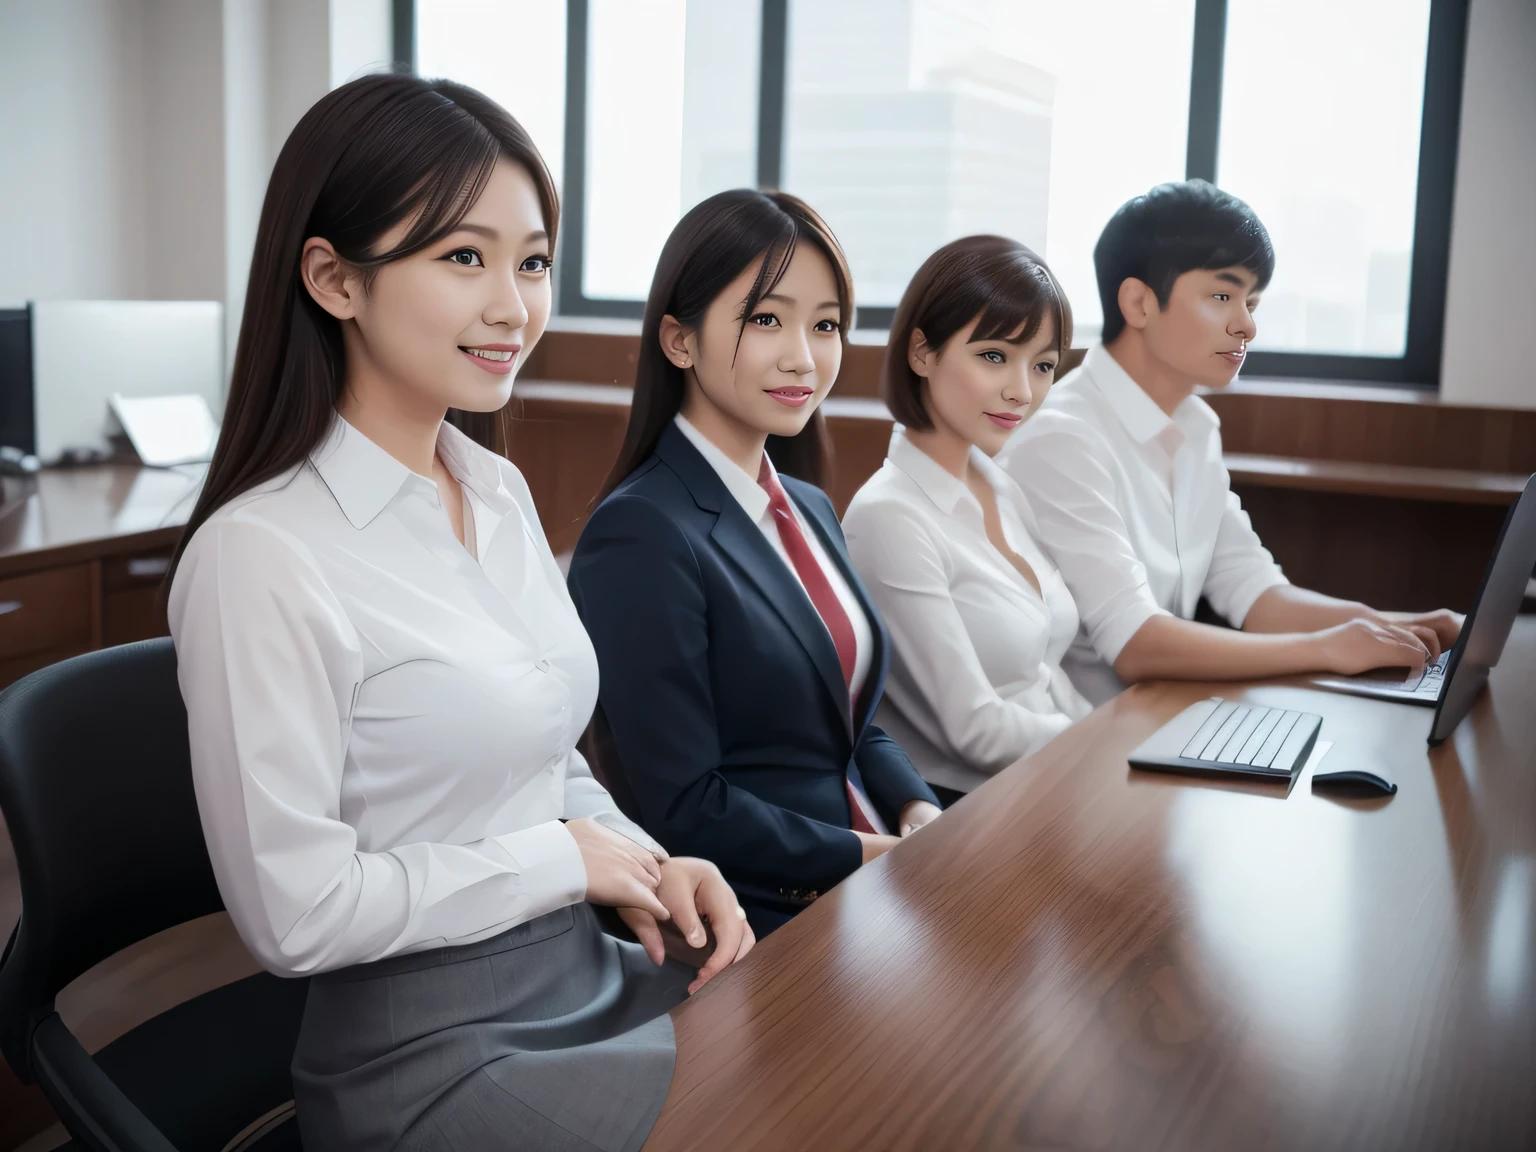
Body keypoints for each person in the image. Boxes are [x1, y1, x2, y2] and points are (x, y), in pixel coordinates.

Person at [166, 74, 751, 1152]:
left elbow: (539, 753)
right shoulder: (260, 557)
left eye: (531, 262)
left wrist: (643, 858)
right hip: (423, 1054)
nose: (513, 307)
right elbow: (295, 915)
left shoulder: (496, 489)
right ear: (334, 279)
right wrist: (564, 864)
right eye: (462, 257)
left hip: (582, 970)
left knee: (830, 1061)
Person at [567, 189, 942, 938]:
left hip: (874, 875)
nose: (804, 355)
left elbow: (850, 718)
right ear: (679, 340)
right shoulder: (641, 533)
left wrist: (920, 812)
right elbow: (684, 807)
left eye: (826, 324)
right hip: (768, 914)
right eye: (766, 319)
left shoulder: (805, 505)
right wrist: (875, 858)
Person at [996, 180, 1462, 705]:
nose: (1247, 326)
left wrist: (1414, 626)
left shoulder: (1196, 427)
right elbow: (1136, 643)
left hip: (1153, 716)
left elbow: (1256, 593)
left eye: (1252, 301)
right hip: (1069, 744)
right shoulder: (1063, 436)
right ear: (1139, 302)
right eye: (1223, 296)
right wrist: (1327, 649)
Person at [843, 236, 1091, 802]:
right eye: (995, 356)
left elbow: (1046, 677)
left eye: (1044, 365)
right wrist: (1101, 742)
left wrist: (1116, 738)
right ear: (922, 353)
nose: (1022, 391)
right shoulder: (890, 517)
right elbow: (974, 729)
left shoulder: (999, 484)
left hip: (1050, 785)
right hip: (961, 817)